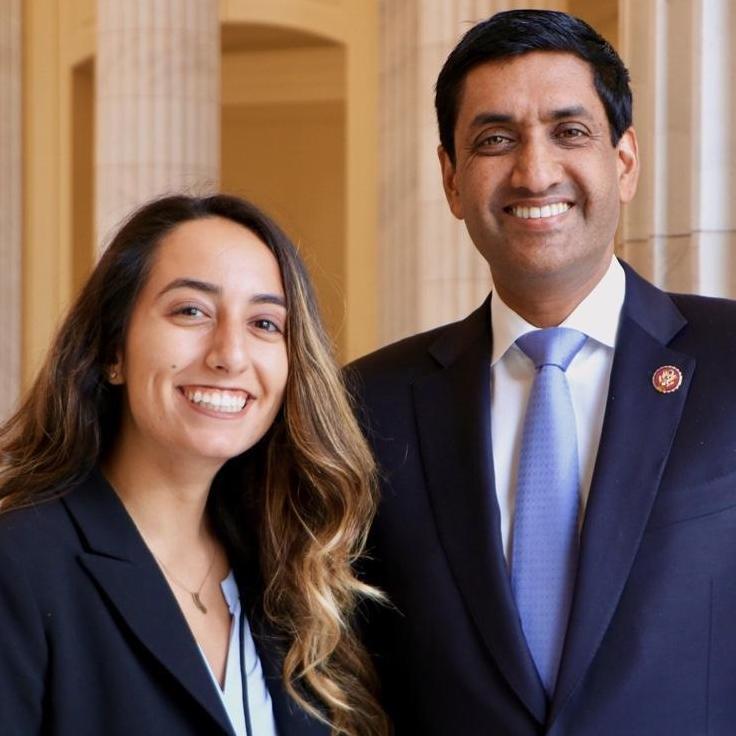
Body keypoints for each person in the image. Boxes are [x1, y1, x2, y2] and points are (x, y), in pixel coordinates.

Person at [348, 9, 736, 736]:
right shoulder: (367, 405)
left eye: (570, 131)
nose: (534, 171)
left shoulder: (731, 358)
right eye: (495, 140)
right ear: (451, 179)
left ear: (624, 162)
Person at [0, 194, 389, 736]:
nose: (229, 354)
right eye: (191, 311)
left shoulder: (288, 572)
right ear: (113, 351)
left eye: (264, 323)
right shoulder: (21, 563)